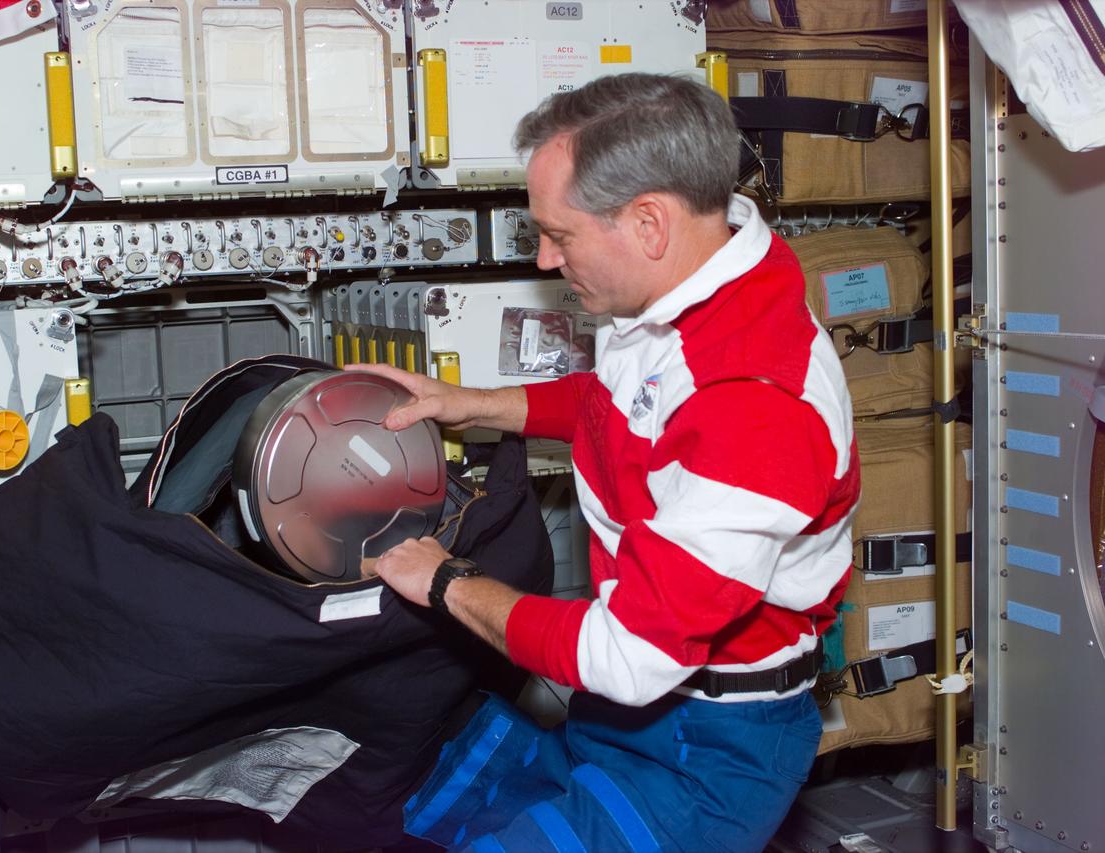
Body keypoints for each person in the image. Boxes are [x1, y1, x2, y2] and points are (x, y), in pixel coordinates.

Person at [351, 73, 859, 852]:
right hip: (629, 709)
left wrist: (447, 579)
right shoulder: (705, 283)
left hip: (708, 750)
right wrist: (472, 402)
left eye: (560, 233)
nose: (547, 259)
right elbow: (627, 401)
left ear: (649, 222)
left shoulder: (755, 407)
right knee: (422, 803)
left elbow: (629, 656)